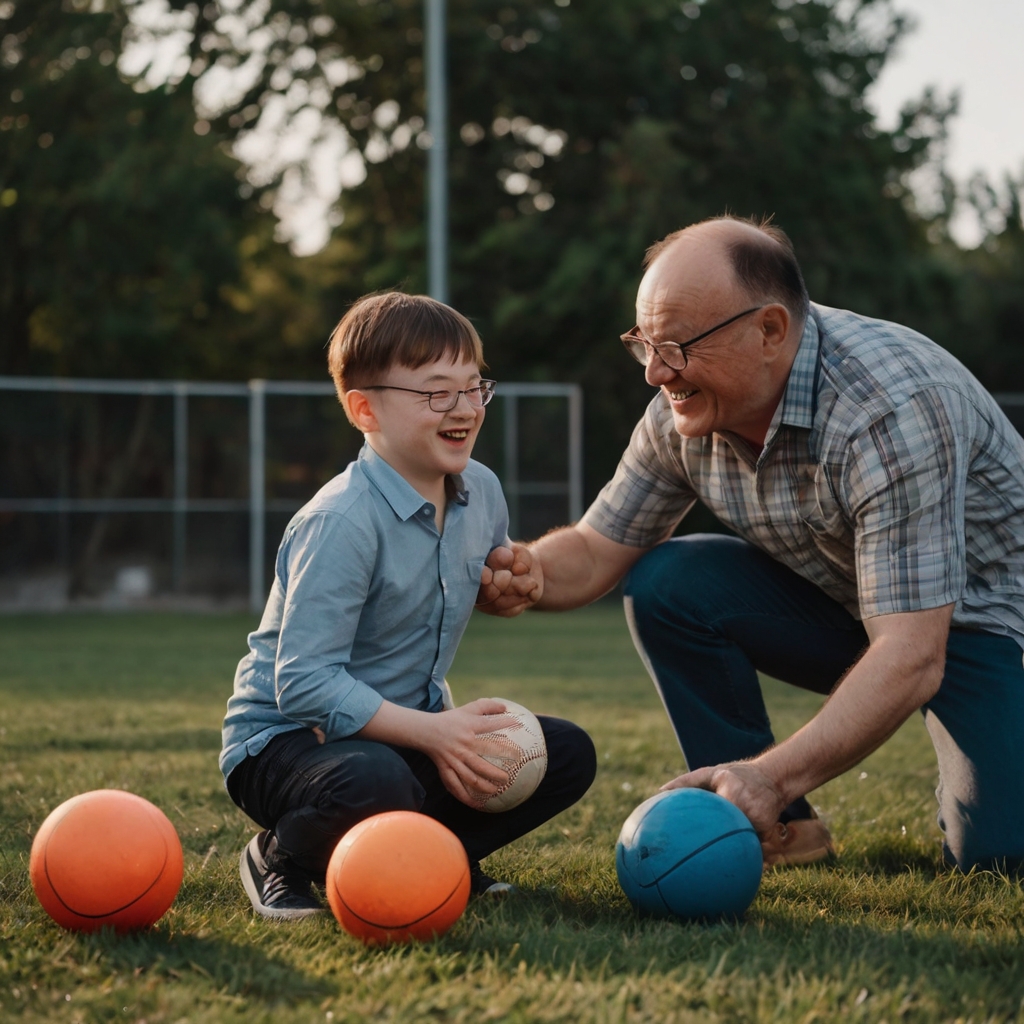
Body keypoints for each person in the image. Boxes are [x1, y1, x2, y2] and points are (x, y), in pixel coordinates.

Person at [477, 215, 1024, 873]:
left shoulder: (887, 410)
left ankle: (766, 792)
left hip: (987, 629)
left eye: (676, 346)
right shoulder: (682, 415)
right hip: (861, 612)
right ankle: (781, 832)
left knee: (999, 859)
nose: (655, 373)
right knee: (670, 582)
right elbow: (596, 550)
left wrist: (772, 773)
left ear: (769, 330)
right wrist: (530, 571)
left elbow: (912, 654)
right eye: (643, 344)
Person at [221, 292, 596, 919]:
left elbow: (481, 575)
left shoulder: (482, 488)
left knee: (565, 754)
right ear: (364, 408)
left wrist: (508, 583)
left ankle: (436, 856)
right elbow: (303, 683)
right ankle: (279, 856)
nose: (466, 409)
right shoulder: (341, 520)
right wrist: (437, 733)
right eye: (436, 393)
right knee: (376, 782)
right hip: (288, 744)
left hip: (405, 733)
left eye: (476, 388)